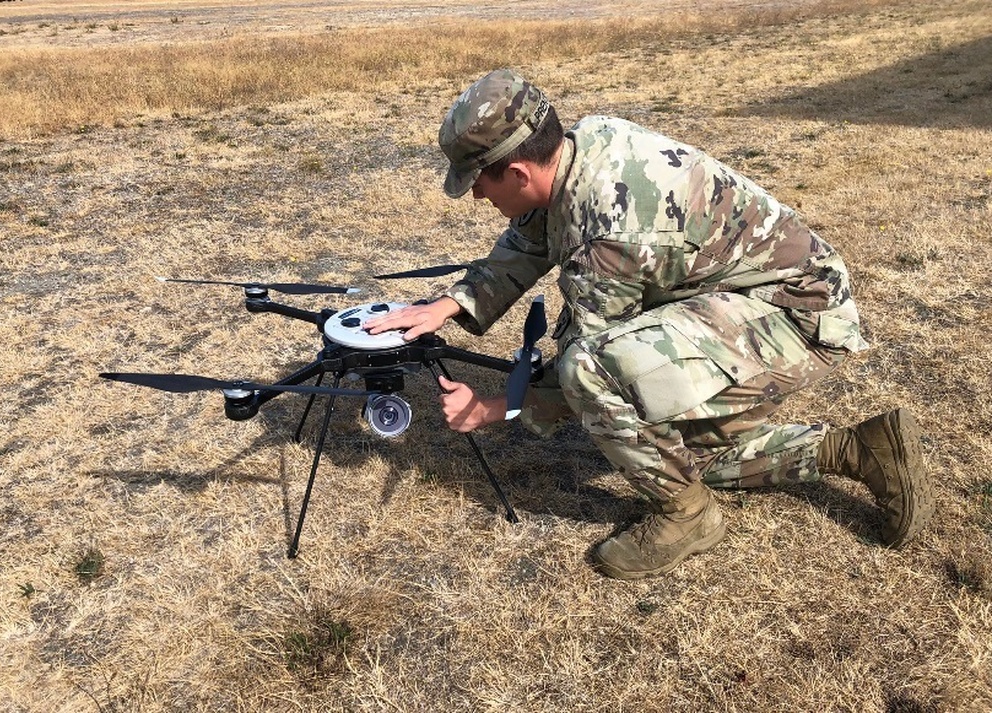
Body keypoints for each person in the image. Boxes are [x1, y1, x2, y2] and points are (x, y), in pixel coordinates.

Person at [365, 68, 933, 579]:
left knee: (595, 375)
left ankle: (685, 517)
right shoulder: (580, 147)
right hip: (750, 299)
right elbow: (535, 231)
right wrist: (456, 302)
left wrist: (500, 406)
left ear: (516, 170)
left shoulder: (612, 230)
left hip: (797, 316)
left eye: (479, 183)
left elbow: (583, 361)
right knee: (678, 454)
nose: (477, 198)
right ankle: (857, 451)